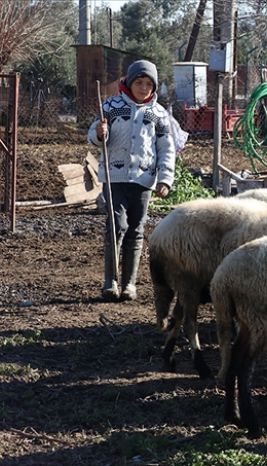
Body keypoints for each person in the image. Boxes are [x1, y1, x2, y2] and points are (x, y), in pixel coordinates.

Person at [88, 59, 175, 302]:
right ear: (129, 81)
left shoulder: (158, 114)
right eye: (139, 82)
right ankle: (110, 281)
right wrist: (99, 133)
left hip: (143, 179)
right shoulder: (111, 106)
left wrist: (165, 178)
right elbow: (93, 135)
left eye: (149, 83)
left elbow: (166, 149)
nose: (144, 87)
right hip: (114, 178)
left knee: (136, 229)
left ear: (154, 87)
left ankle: (129, 284)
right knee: (117, 225)